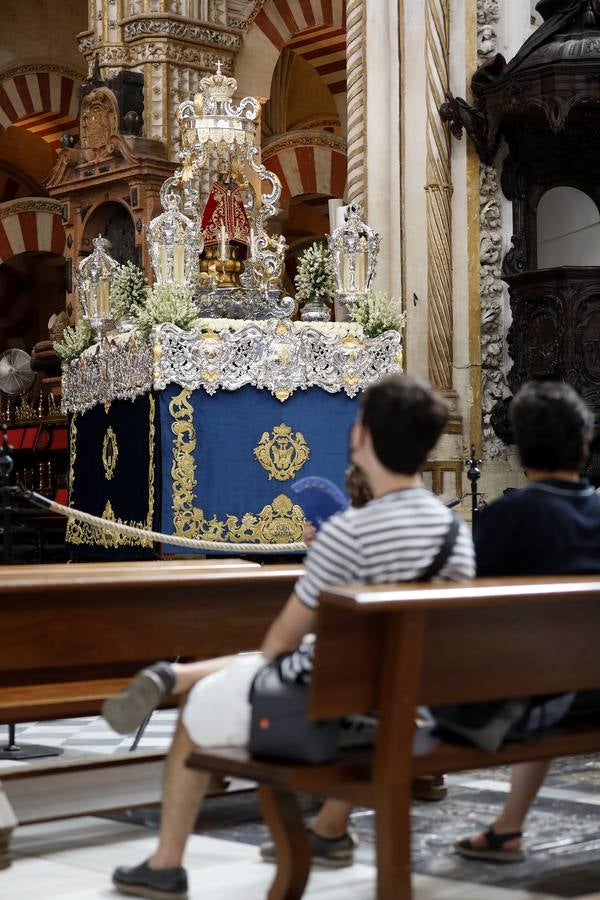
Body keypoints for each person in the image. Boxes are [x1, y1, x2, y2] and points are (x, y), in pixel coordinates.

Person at [103, 374, 475, 898]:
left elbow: (279, 644)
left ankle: (166, 862)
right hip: (419, 707)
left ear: (361, 437)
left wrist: (327, 556)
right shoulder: (455, 532)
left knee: (200, 709)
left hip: (331, 710)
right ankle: (327, 830)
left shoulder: (348, 531)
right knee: (345, 676)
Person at [453, 380, 600, 863]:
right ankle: (507, 828)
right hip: (585, 686)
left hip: (531, 696)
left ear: (519, 451)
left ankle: (330, 827)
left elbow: (464, 617)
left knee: (538, 667)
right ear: (584, 444)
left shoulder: (508, 517)